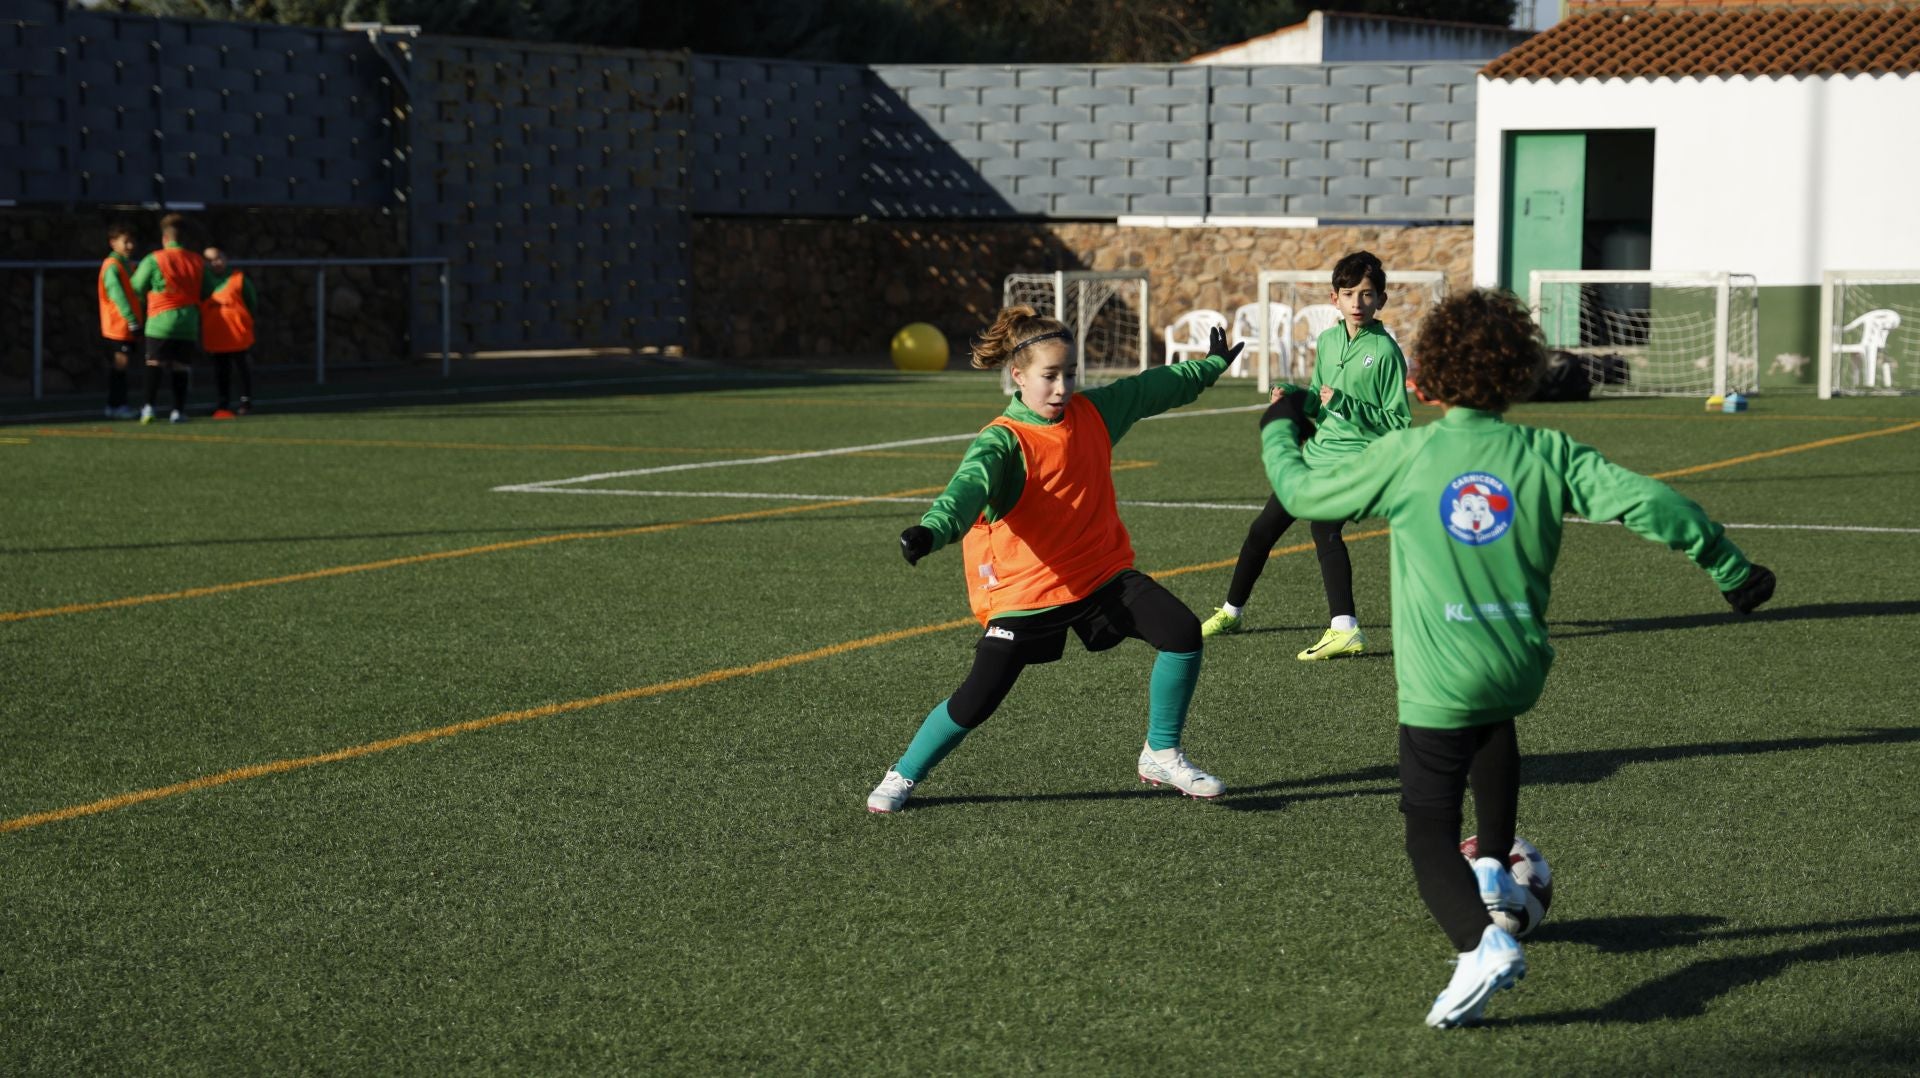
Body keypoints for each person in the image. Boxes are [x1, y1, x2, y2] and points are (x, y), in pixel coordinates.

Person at [1258, 288, 1776, 1028]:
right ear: (1519, 375)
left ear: (1425, 380)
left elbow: (1303, 490)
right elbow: (1654, 503)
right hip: (1518, 665)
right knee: (1493, 721)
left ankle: (1480, 944)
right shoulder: (1548, 452)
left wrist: (1280, 425)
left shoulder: (1409, 453)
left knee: (1426, 831)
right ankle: (1495, 864)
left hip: (1440, 677)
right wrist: (1730, 567)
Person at [865, 307, 1244, 813]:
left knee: (1181, 632)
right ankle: (903, 774)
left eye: (1070, 374)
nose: (1062, 387)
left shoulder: (1093, 413)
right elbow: (966, 489)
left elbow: (1149, 389)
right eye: (1050, 376)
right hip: (1026, 590)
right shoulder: (1003, 439)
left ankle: (1162, 752)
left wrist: (1208, 367)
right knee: (980, 696)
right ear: (1017, 376)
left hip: (1100, 572)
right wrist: (933, 530)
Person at [1200, 250, 1410, 661]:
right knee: (1263, 529)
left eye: (1367, 295)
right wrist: (1294, 396)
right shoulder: (1329, 340)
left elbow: (1398, 424)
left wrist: (1348, 404)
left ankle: (1344, 628)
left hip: (1356, 462)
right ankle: (1231, 612)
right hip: (1315, 456)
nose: (1357, 303)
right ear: (1334, 298)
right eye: (1348, 293)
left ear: (1381, 300)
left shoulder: (1386, 353)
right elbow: (1318, 401)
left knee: (1323, 529)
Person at [129, 214, 213, 424]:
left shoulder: (155, 258)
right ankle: (178, 411)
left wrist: (149, 294)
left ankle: (148, 408)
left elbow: (136, 285)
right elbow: (209, 288)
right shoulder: (196, 260)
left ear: (165, 239)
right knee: (181, 366)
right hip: (188, 322)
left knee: (154, 362)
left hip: (160, 320)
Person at [200, 246, 258, 418]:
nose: (215, 263)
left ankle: (245, 402)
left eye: (218, 258)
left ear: (225, 258)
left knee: (242, 368)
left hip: (237, 334)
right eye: (210, 260)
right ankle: (222, 404)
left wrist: (243, 321)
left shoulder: (238, 279)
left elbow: (251, 302)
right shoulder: (203, 282)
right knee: (221, 371)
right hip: (216, 335)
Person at [97, 221, 143, 419]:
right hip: (118, 325)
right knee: (120, 366)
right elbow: (118, 296)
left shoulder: (125, 264)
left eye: (132, 241)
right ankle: (117, 405)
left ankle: (115, 405)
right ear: (113, 242)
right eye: (126, 241)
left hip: (123, 324)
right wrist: (132, 320)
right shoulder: (112, 266)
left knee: (122, 366)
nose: (130, 246)